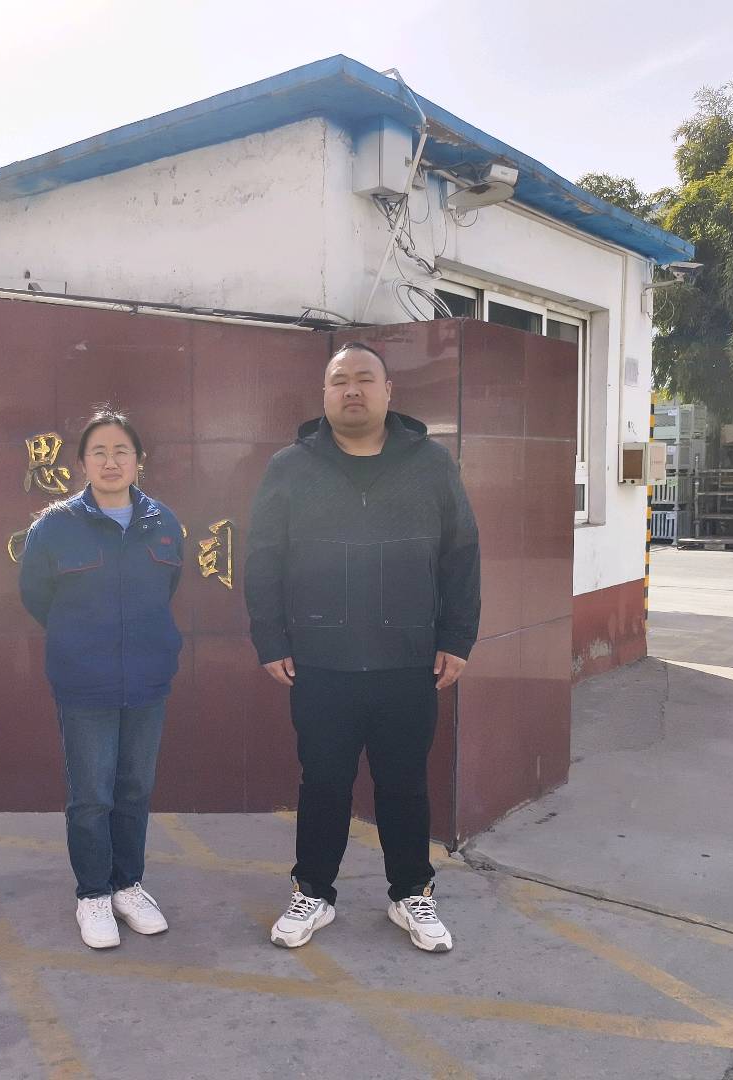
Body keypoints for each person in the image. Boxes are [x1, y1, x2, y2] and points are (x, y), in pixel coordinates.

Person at [244, 341, 480, 951]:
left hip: (409, 659)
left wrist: (457, 637)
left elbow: (461, 554)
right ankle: (313, 892)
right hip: (321, 662)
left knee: (405, 784)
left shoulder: (431, 464)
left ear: (388, 391)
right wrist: (270, 638)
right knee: (323, 782)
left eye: (365, 379)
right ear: (324, 394)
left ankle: (411, 894)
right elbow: (263, 559)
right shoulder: (290, 468)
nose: (352, 389)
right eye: (340, 380)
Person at [18, 408, 184, 950]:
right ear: (82, 463)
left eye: (121, 452)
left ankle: (127, 885)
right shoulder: (55, 527)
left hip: (148, 680)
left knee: (134, 789)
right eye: (99, 452)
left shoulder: (164, 523)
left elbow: (167, 590)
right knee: (91, 794)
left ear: (139, 460)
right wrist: (80, 641)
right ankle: (92, 893)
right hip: (84, 683)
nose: (111, 462)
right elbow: (36, 597)